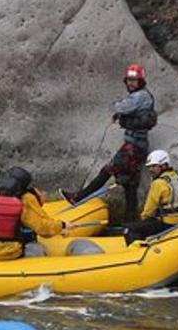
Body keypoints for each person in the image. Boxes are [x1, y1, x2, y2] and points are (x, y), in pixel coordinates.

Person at [64, 64, 157, 218]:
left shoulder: (140, 96)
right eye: (128, 80)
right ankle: (131, 219)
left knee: (108, 170)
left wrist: (118, 108)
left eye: (133, 80)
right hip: (137, 146)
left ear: (141, 80)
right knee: (130, 184)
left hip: (133, 147)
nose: (130, 83)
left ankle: (78, 197)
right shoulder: (143, 96)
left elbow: (123, 107)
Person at [0, 173, 69, 260]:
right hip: (13, 252)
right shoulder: (21, 209)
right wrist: (62, 225)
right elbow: (41, 227)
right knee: (37, 249)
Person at [123, 149, 178, 243]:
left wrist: (142, 222)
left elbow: (148, 211)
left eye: (154, 166)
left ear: (164, 165)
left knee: (129, 229)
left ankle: (138, 251)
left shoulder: (158, 183)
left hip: (167, 223)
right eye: (149, 167)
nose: (150, 170)